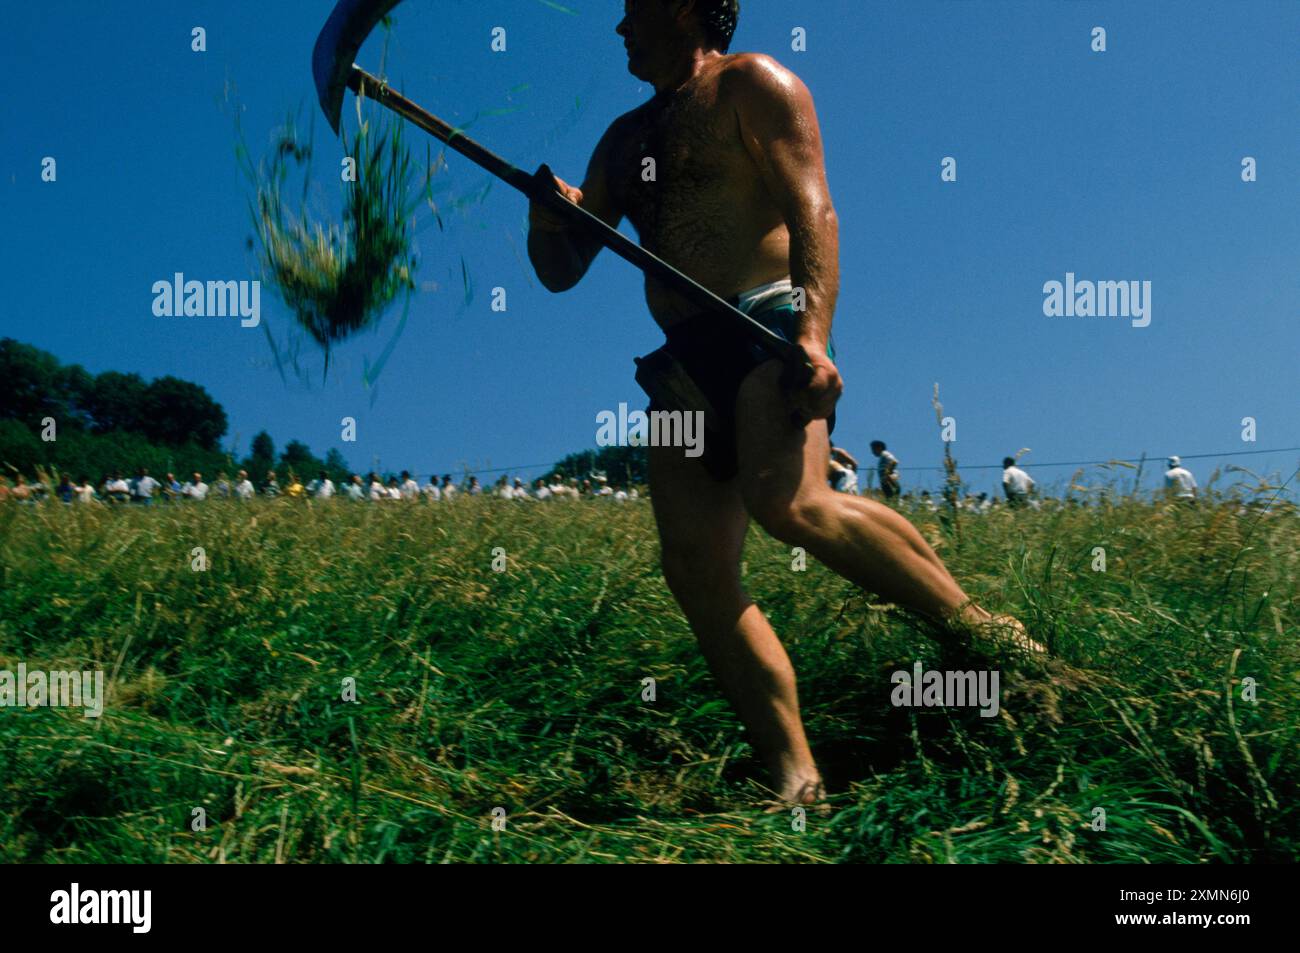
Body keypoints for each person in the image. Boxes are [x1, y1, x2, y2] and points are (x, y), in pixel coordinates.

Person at [525, 0, 1038, 807]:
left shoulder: (753, 84)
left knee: (789, 500)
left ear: (687, 4)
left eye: (634, 9)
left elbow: (812, 207)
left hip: (763, 321)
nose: (619, 26)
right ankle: (796, 781)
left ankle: (991, 641)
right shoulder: (623, 141)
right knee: (694, 569)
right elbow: (562, 268)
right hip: (684, 362)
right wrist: (546, 216)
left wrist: (815, 334)